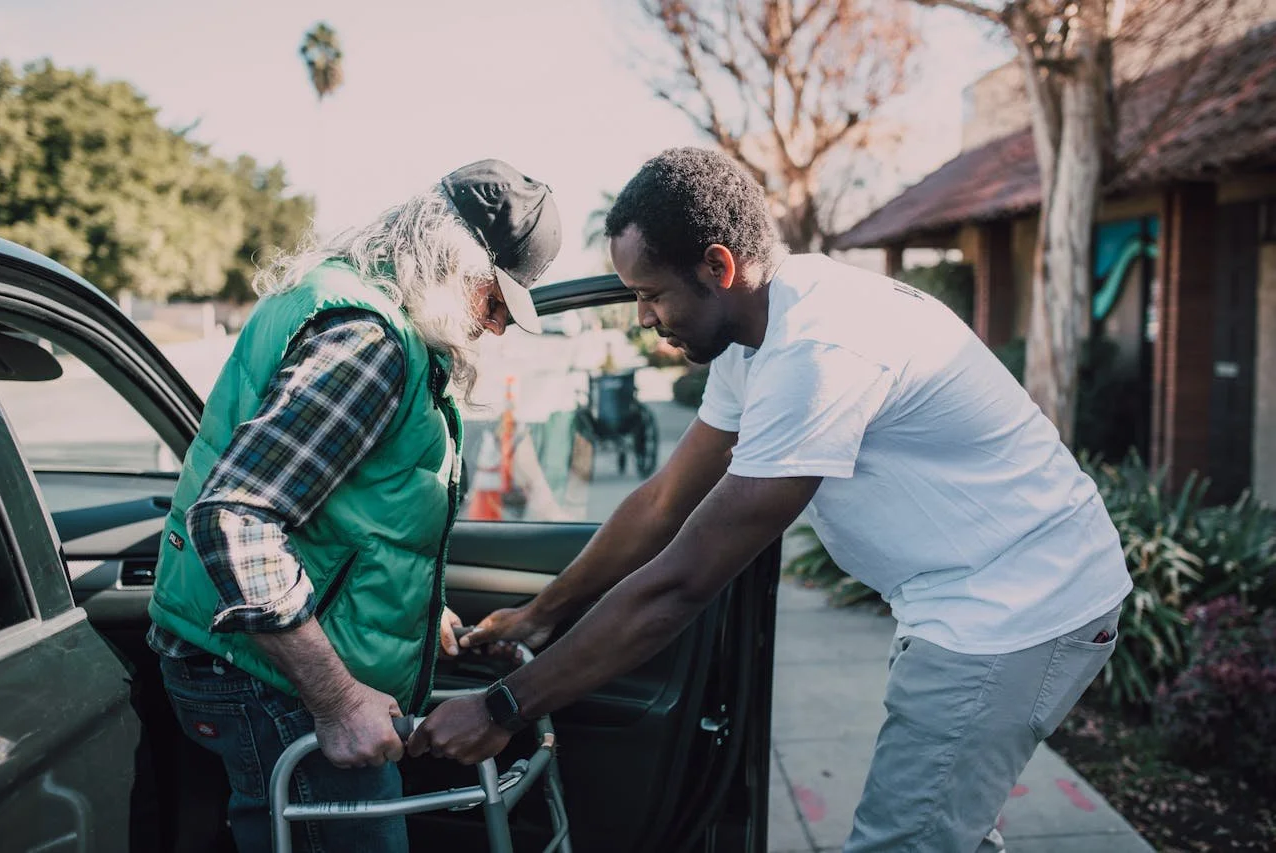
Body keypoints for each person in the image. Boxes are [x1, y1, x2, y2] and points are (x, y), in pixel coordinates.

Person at [413, 147, 1133, 853]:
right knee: (942, 825)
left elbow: (683, 581)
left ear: (718, 267)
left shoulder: (817, 350)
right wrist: (542, 613)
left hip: (1017, 608)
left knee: (904, 839)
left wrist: (504, 707)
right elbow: (666, 500)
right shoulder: (756, 334)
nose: (641, 316)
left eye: (651, 292)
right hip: (964, 597)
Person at [146, 159, 561, 853]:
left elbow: (341, 509)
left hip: (242, 657)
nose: (494, 328)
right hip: (266, 678)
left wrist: (417, 612)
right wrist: (337, 700)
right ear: (452, 263)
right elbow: (236, 518)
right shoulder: (369, 342)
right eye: (494, 301)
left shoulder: (339, 302)